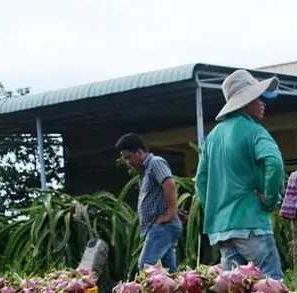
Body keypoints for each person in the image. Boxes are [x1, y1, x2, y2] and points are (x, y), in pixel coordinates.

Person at [195, 69, 285, 279]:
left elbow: (201, 181)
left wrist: (216, 209)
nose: (263, 102)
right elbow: (274, 162)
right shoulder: (255, 132)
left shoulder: (213, 136)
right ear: (245, 102)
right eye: (258, 98)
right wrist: (270, 199)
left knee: (236, 292)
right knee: (272, 286)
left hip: (223, 230)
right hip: (252, 223)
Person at [115, 133, 182, 272]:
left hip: (163, 226)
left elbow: (169, 184)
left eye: (128, 157)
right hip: (158, 226)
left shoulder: (155, 163)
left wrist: (170, 213)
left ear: (139, 152)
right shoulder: (145, 171)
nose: (128, 162)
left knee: (146, 266)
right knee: (169, 271)